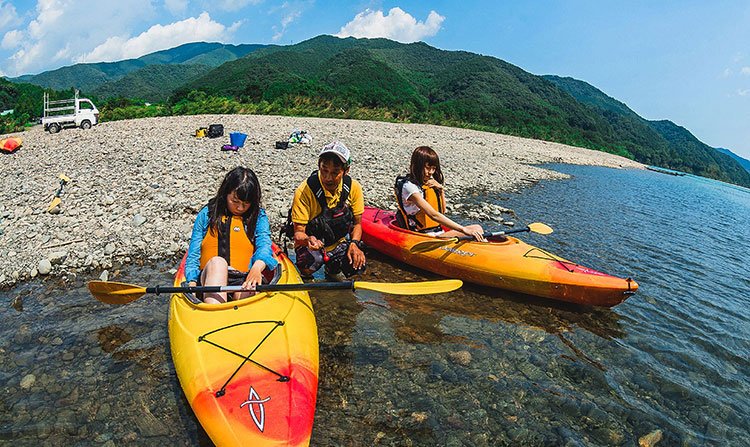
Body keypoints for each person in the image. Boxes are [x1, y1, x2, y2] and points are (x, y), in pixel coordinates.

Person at [185, 167, 278, 304]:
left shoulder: (258, 217)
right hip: (210, 277)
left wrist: (257, 268)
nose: (240, 208)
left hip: (243, 278)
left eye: (246, 203)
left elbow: (264, 245)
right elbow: (194, 253)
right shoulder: (207, 214)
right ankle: (215, 315)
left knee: (251, 288)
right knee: (218, 263)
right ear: (225, 194)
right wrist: (192, 281)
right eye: (235, 201)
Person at [290, 141, 366, 279]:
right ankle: (306, 277)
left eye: (335, 172)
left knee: (356, 263)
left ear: (346, 171)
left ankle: (333, 272)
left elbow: (357, 223)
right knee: (310, 261)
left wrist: (354, 244)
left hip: (338, 241)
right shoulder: (304, 191)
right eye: (324, 170)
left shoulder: (353, 188)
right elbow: (298, 234)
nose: (328, 178)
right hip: (311, 245)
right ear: (319, 166)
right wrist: (308, 240)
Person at [394, 146, 485, 241]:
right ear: (417, 166)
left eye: (433, 168)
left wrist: (441, 191)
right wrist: (463, 229)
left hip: (438, 231)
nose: (431, 172)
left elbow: (442, 211)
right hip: (424, 236)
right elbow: (433, 215)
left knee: (477, 227)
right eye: (428, 168)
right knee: (476, 229)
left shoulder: (427, 183)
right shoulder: (410, 187)